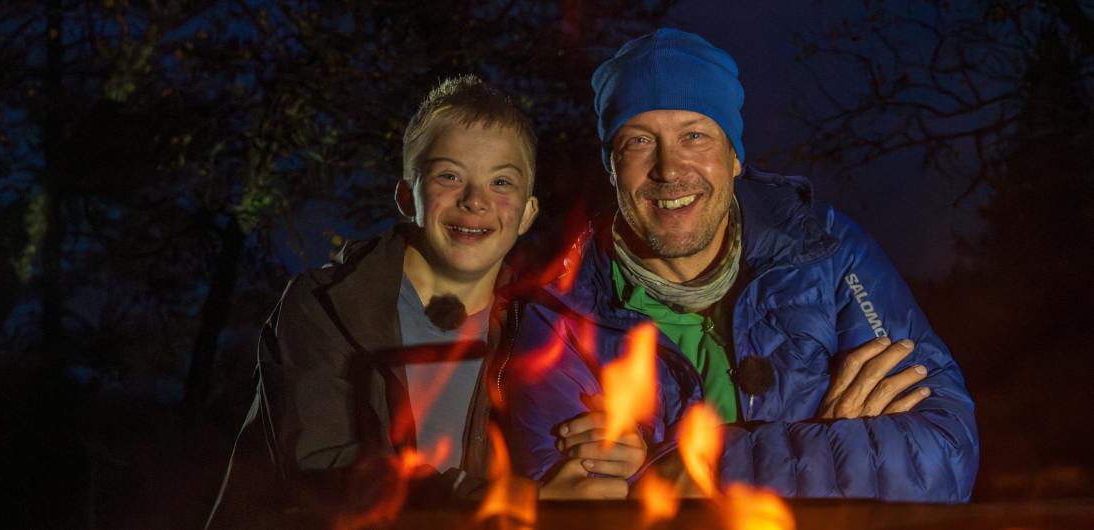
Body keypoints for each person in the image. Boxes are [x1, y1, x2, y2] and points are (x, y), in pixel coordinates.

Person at [503, 29, 979, 502]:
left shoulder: (827, 252)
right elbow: (570, 499)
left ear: (734, 157)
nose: (669, 169)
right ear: (611, 167)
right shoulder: (560, 313)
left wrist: (672, 469)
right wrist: (824, 440)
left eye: (694, 135)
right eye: (639, 141)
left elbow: (942, 453)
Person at [207, 75, 642, 530]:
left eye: (501, 182)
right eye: (449, 176)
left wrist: (620, 448)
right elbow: (326, 472)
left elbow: (573, 447)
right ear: (406, 197)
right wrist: (515, 500)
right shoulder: (323, 308)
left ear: (528, 213)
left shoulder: (544, 328)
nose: (475, 201)